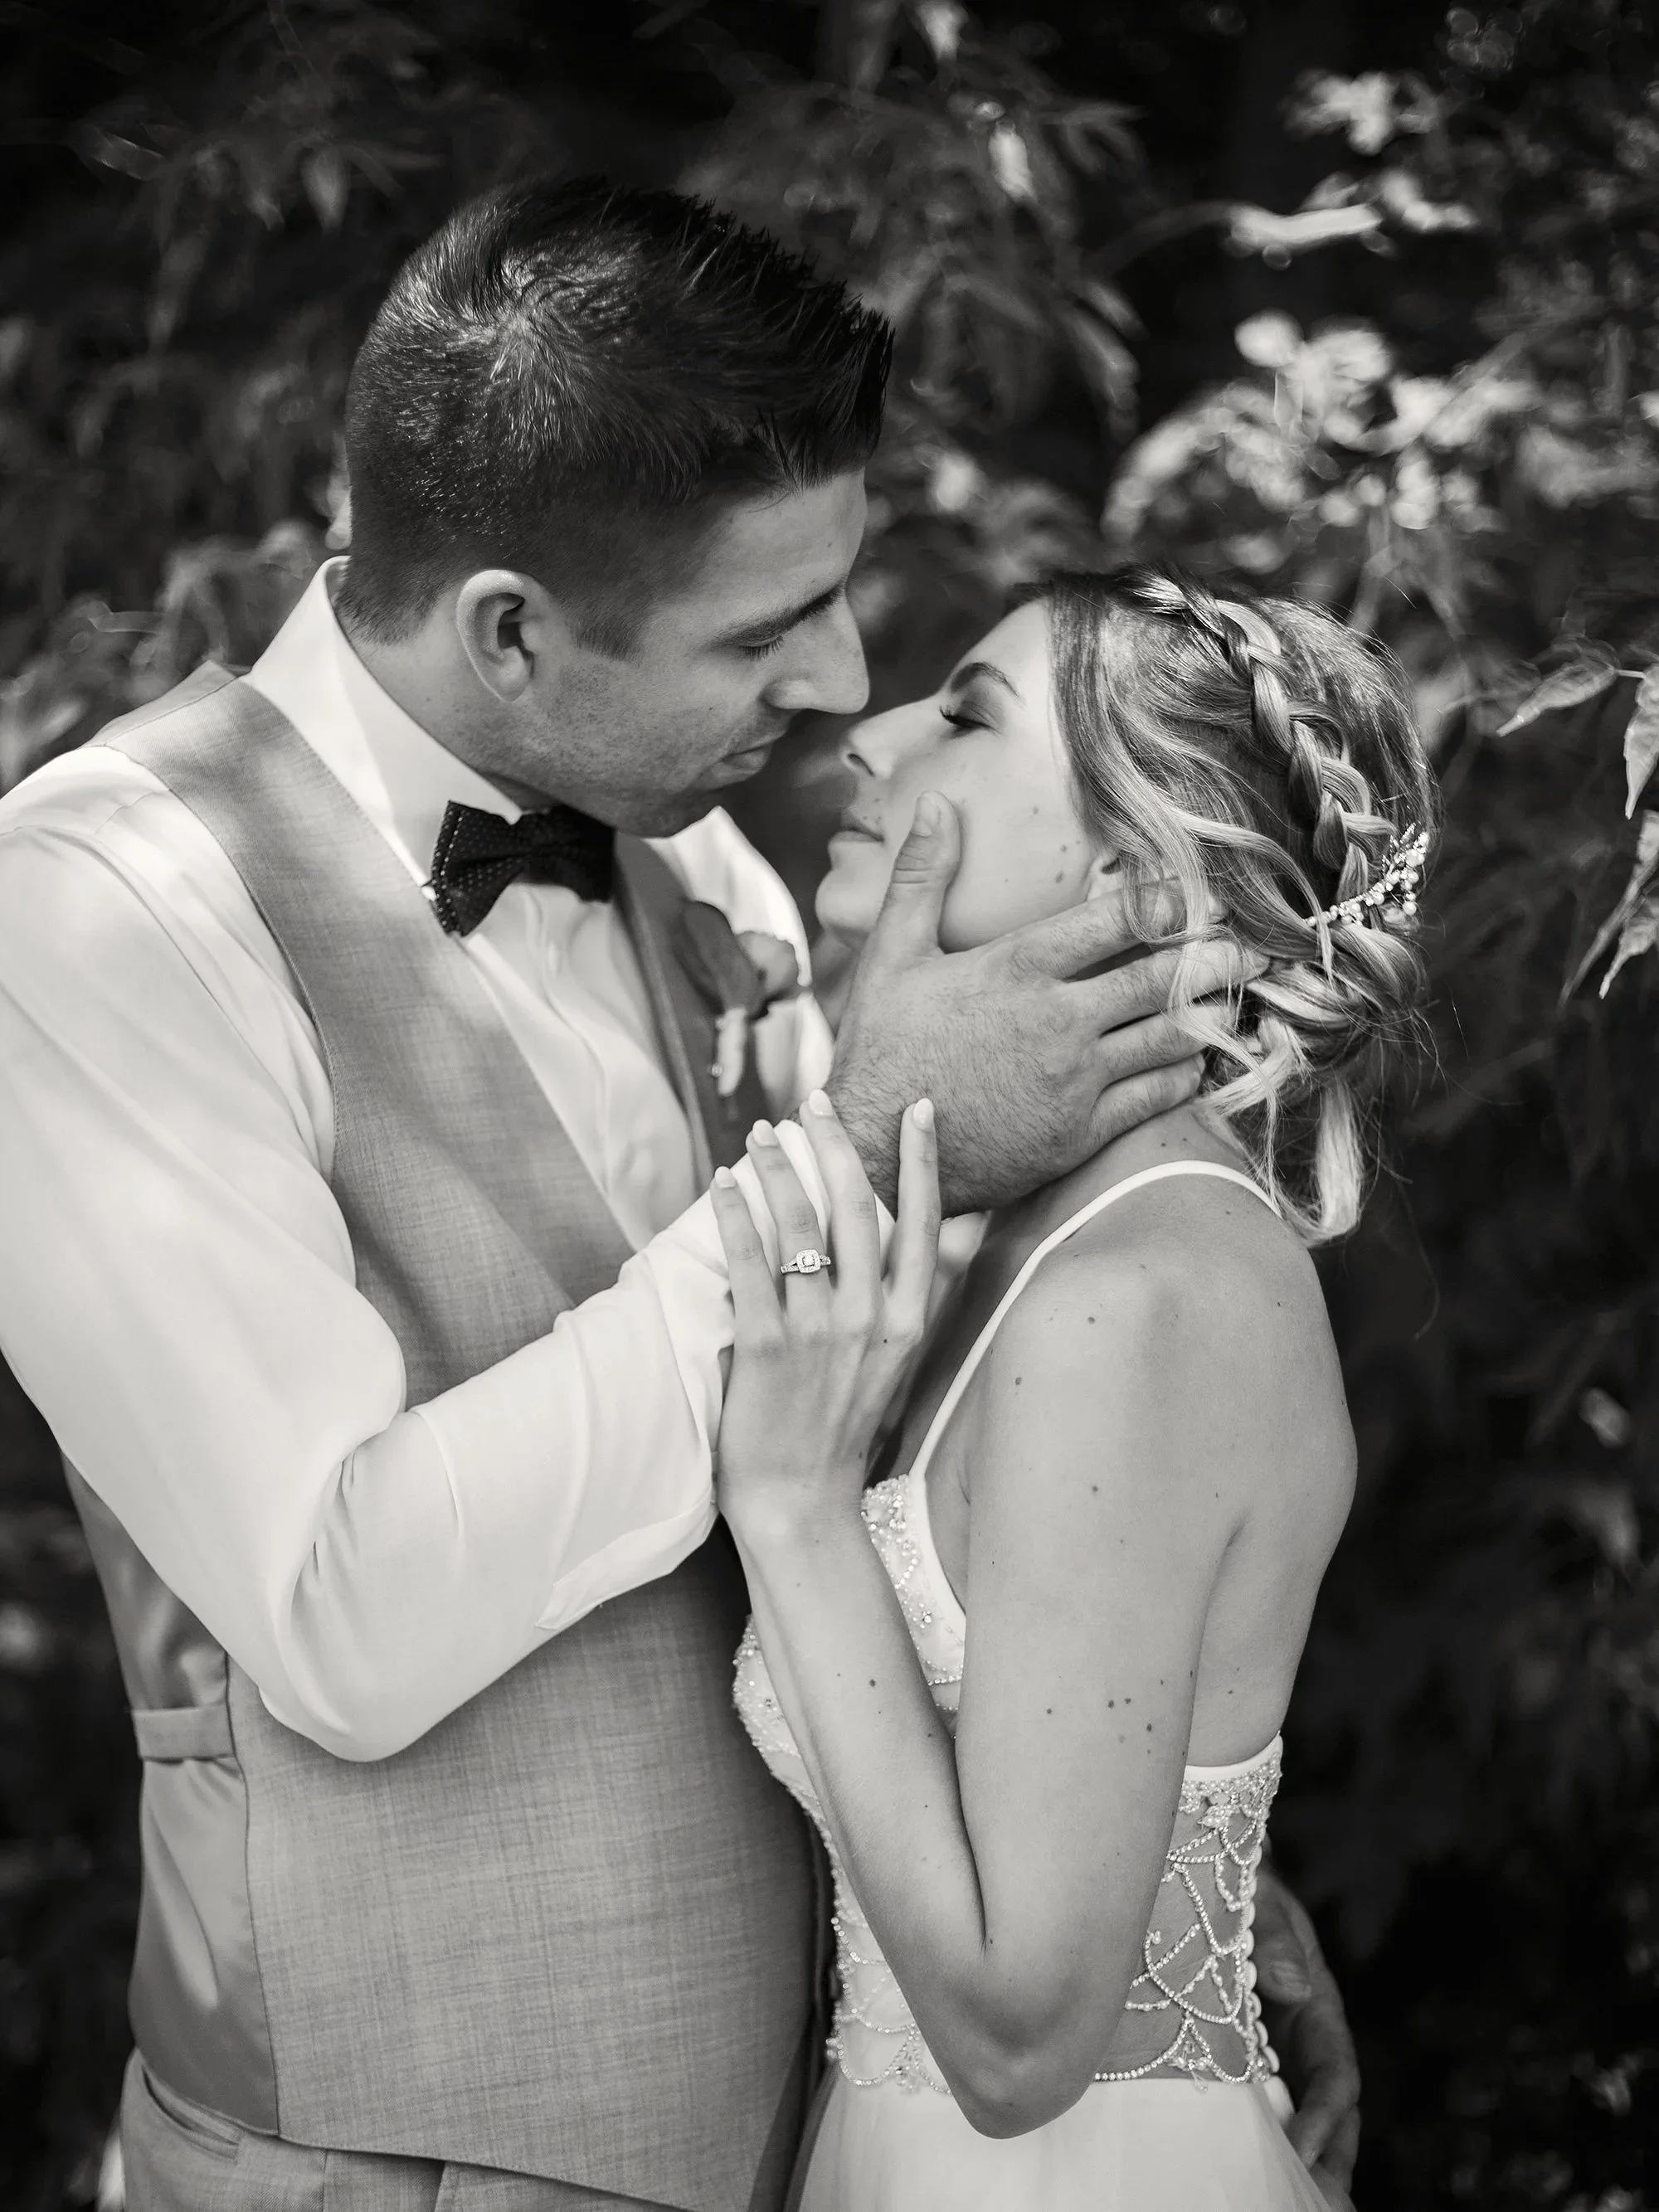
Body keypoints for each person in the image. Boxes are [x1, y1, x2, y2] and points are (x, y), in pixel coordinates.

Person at [0, 173, 1352, 2212]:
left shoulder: (698, 871)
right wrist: (840, 1155)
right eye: (766, 626)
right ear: (512, 634)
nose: (836, 681)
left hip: (819, 2133)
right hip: (382, 2161)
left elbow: (953, 1465)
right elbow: (336, 1613)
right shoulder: (97, 918)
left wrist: (1160, 1854)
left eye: (843, 589)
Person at [712, 567, 1433, 2210]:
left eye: (966, 715)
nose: (871, 735)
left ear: (1134, 874)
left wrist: (794, 1506)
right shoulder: (1005, 1243)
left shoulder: (1136, 1297)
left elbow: (1027, 2044)